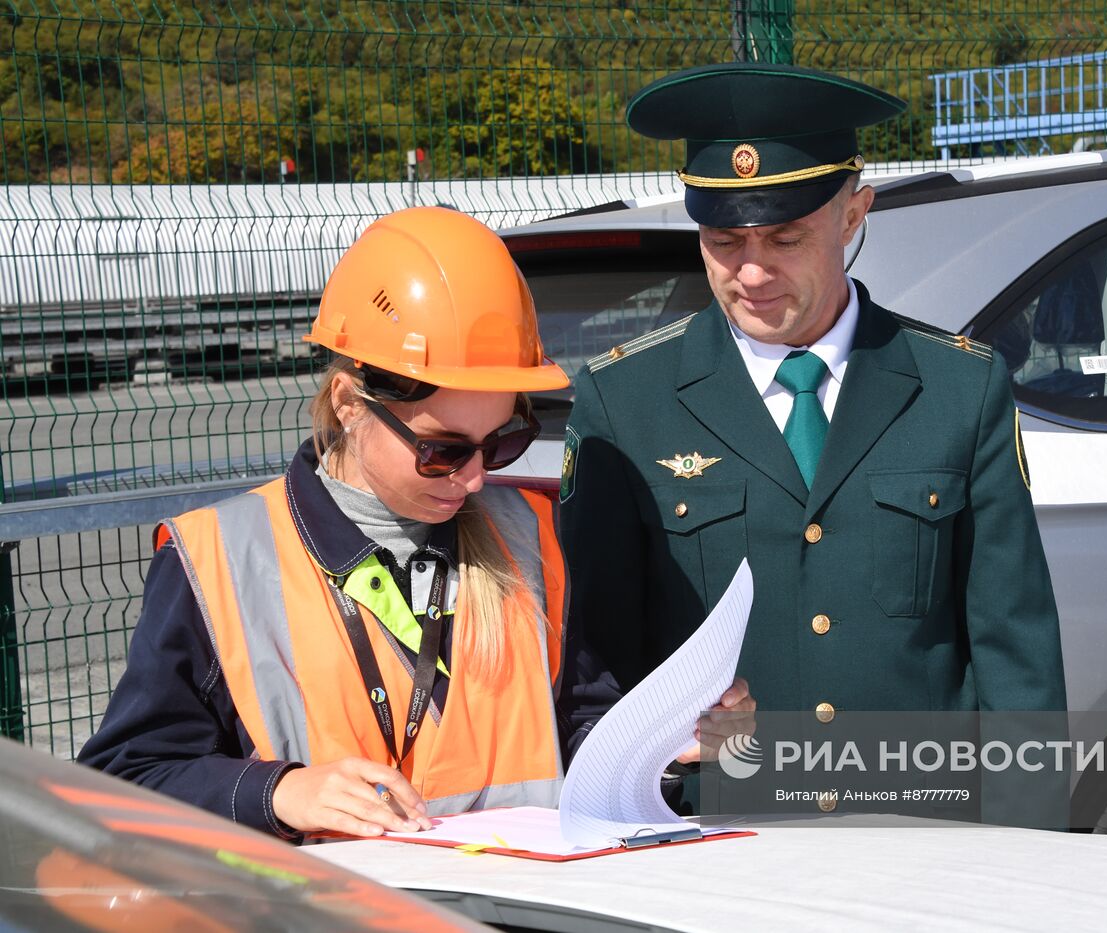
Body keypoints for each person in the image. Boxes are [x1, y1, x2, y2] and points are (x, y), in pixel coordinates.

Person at [80, 206, 752, 840]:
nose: (476, 478)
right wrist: (279, 792)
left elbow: (580, 728)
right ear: (348, 402)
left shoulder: (530, 537)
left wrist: (665, 746)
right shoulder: (219, 559)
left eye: (502, 442)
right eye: (443, 450)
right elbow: (125, 774)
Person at [559, 64, 1066, 773]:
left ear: (853, 214)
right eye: (723, 241)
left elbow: (1019, 665)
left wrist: (1022, 859)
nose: (753, 272)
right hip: (718, 845)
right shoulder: (626, 401)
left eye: (785, 239)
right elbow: (596, 678)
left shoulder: (958, 386)